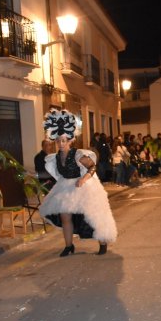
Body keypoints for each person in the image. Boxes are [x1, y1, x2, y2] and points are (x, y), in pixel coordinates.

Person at [39, 108, 117, 256]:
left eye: (63, 141)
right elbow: (50, 173)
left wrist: (83, 179)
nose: (60, 144)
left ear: (70, 140)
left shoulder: (78, 155)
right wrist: (32, 174)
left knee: (92, 215)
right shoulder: (54, 158)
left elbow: (92, 167)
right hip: (65, 189)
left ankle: (102, 241)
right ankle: (69, 246)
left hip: (84, 187)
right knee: (65, 217)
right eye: (58, 141)